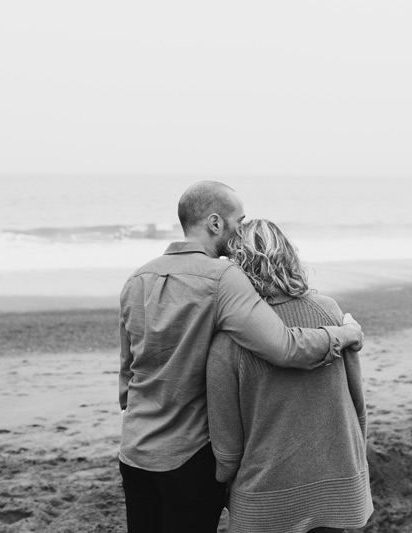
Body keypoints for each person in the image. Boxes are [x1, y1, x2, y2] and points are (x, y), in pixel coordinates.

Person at [118, 181, 365, 533]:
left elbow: (127, 375)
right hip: (188, 455)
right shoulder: (224, 278)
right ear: (216, 223)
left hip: (135, 451)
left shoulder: (137, 278)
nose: (239, 232)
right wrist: (345, 334)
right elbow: (284, 347)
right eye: (239, 220)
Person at [207, 219, 374, 533]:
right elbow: (357, 404)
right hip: (337, 482)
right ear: (288, 255)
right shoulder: (330, 312)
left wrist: (224, 483)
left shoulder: (228, 339)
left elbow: (227, 446)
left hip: (265, 497)